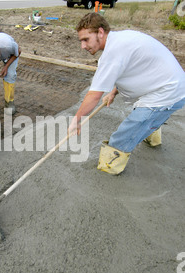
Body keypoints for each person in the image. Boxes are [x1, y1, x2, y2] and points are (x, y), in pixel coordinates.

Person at [69, 13, 185, 175]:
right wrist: (113, 92)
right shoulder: (120, 40)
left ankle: (108, 170)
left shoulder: (112, 52)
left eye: (86, 39)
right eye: (81, 41)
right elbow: (132, 67)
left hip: (166, 94)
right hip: (169, 86)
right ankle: (151, 134)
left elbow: (94, 95)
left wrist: (77, 119)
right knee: (145, 118)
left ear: (100, 32)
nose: (83, 46)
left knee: (121, 139)